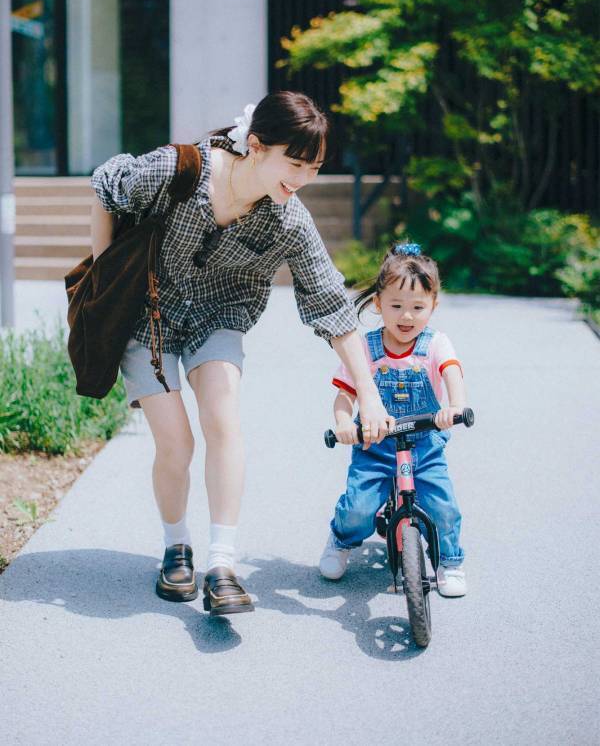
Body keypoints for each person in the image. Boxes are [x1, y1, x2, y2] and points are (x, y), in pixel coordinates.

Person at [89, 91, 394, 615]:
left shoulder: (288, 221)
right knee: (177, 443)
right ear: (255, 145)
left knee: (223, 422)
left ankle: (222, 566)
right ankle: (176, 548)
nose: (302, 179)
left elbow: (332, 304)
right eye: (294, 163)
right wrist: (104, 283)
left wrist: (369, 394)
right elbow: (106, 185)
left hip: (219, 317)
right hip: (147, 314)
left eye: (314, 168)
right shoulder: (179, 170)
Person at [319, 242, 467, 597]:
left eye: (418, 307)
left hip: (424, 446)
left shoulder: (435, 344)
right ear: (378, 303)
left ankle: (450, 560)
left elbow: (451, 372)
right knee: (358, 507)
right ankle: (341, 539)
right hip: (375, 445)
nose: (407, 317)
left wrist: (455, 406)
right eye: (396, 306)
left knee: (443, 506)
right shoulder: (365, 347)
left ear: (433, 305)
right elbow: (345, 395)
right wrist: (344, 423)